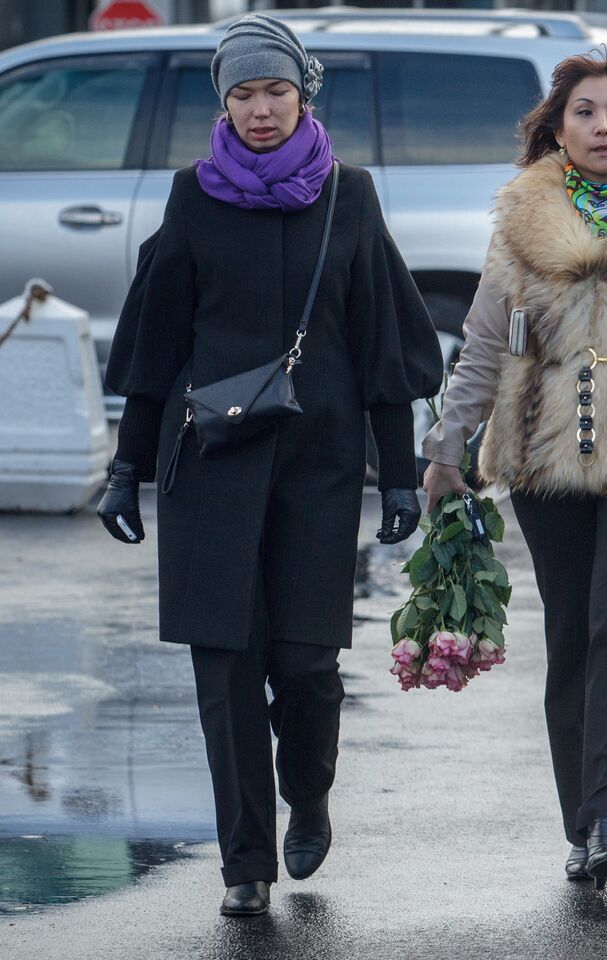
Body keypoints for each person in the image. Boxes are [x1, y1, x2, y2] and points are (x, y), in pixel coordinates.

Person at [95, 14, 441, 918]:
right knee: (225, 667)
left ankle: (310, 792)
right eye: (242, 94)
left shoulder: (349, 195)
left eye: (274, 91)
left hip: (319, 466)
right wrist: (125, 467)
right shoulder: (190, 196)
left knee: (307, 663)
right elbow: (156, 340)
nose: (259, 109)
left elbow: (382, 342)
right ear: (223, 102)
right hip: (207, 464)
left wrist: (399, 473)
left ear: (303, 93)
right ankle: (244, 861)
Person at [421, 52, 607, 890]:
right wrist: (449, 449)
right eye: (586, 113)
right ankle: (583, 821)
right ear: (558, 129)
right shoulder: (521, 217)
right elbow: (484, 342)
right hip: (543, 452)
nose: (603, 127)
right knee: (568, 634)